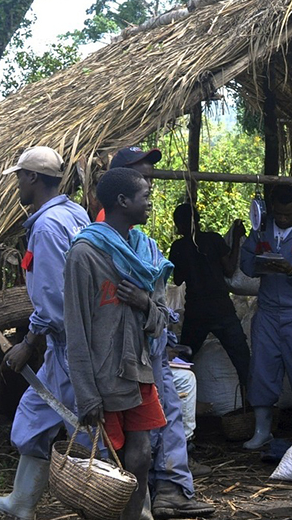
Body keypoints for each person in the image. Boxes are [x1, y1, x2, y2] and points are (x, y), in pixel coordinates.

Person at [104, 148, 213, 519]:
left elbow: (157, 303)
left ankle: (165, 492)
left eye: (150, 179)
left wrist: (156, 320)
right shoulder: (100, 242)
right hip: (121, 354)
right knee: (131, 426)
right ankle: (142, 497)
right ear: (121, 191)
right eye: (144, 180)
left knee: (161, 417)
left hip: (150, 345)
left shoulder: (143, 243)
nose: (150, 187)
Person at [0, 147, 91, 520]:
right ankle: (22, 502)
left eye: (19, 177)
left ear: (32, 178)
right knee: (34, 414)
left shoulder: (46, 227)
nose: (17, 184)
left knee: (89, 430)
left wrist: (28, 343)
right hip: (79, 339)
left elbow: (53, 299)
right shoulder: (75, 213)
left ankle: (129, 503)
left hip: (69, 345)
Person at [64, 168, 172, 520]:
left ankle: (135, 515)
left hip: (138, 368)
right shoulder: (84, 254)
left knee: (141, 456)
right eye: (145, 196)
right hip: (103, 374)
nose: (150, 202)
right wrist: (86, 394)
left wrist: (143, 302)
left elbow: (162, 316)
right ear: (123, 202)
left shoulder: (145, 251)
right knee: (109, 462)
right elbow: (76, 329)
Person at [240, 184, 292, 449]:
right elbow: (245, 262)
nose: (282, 218)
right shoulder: (261, 230)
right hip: (266, 312)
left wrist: (291, 270)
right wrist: (259, 264)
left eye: (287, 214)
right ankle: (262, 430)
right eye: (278, 214)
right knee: (262, 370)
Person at [169, 203, 250, 389]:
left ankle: (178, 399)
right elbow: (229, 269)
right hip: (222, 310)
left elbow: (178, 279)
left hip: (196, 312)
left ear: (179, 225)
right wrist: (236, 239)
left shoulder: (178, 247)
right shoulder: (213, 240)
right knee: (243, 362)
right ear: (197, 220)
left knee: (183, 360)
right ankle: (250, 410)